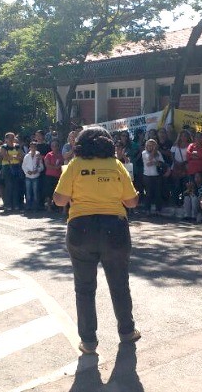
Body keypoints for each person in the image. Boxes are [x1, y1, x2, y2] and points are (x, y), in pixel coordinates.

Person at [53, 127, 141, 355]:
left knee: (84, 289)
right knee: (119, 285)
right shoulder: (116, 166)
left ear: (81, 144)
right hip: (115, 230)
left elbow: (59, 200)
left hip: (81, 230)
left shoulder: (74, 165)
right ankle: (127, 331)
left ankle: (89, 342)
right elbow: (131, 202)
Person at [0, 132, 24, 212]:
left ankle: (16, 204)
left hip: (16, 167)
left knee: (16, 186)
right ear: (6, 139)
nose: (11, 139)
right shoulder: (3, 147)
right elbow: (5, 157)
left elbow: (22, 156)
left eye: (12, 138)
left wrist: (12, 157)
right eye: (9, 138)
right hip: (7, 167)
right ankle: (8, 205)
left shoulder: (17, 146)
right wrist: (15, 156)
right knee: (9, 186)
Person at [142, 139, 163, 216]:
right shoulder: (144, 152)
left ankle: (158, 210)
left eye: (152, 145)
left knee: (158, 193)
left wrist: (154, 162)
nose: (150, 147)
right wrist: (154, 152)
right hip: (147, 176)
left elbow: (161, 163)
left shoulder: (158, 153)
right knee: (148, 193)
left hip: (156, 175)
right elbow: (149, 159)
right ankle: (147, 210)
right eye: (149, 145)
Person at [170, 130, 191, 205]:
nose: (183, 137)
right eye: (182, 135)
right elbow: (171, 154)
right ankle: (175, 201)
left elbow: (190, 157)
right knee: (176, 185)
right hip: (176, 168)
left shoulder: (190, 145)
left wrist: (184, 163)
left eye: (185, 135)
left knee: (185, 185)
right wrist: (176, 162)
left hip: (185, 168)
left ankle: (183, 201)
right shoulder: (176, 145)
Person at [22, 141, 44, 212]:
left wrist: (37, 170)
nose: (33, 148)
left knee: (35, 192)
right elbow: (23, 166)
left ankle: (36, 206)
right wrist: (27, 171)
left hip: (36, 176)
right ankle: (28, 206)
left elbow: (41, 167)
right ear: (30, 147)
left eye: (34, 147)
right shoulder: (27, 156)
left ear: (36, 148)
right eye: (31, 147)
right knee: (28, 192)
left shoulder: (38, 156)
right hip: (28, 176)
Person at [43, 140, 64, 212]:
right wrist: (55, 167)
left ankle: (58, 206)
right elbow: (47, 165)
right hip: (49, 176)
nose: (54, 147)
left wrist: (59, 167)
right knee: (49, 192)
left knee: (58, 192)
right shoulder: (49, 155)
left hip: (58, 176)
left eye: (56, 146)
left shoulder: (61, 155)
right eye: (53, 146)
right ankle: (49, 207)